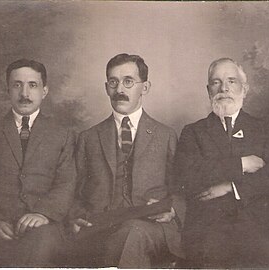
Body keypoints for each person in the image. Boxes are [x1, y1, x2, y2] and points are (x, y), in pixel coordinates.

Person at [66, 53, 185, 268]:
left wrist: (173, 210)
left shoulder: (166, 135)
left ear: (145, 87)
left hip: (150, 227)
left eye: (128, 82)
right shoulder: (88, 138)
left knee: (132, 233)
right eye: (113, 82)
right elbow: (73, 189)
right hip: (99, 226)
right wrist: (75, 216)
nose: (119, 90)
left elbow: (182, 187)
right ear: (106, 87)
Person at [174, 58, 269, 268]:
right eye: (216, 82)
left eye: (231, 81)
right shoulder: (193, 132)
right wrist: (241, 164)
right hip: (208, 228)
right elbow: (188, 176)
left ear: (244, 89)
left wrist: (232, 187)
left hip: (257, 225)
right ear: (208, 89)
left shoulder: (264, 129)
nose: (224, 88)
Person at [0, 59, 77, 267]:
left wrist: (43, 213)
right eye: (17, 85)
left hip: (46, 227)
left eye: (32, 85)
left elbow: (67, 182)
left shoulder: (63, 135)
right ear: (7, 89)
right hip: (1, 228)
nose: (24, 94)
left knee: (41, 244)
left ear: (44, 91)